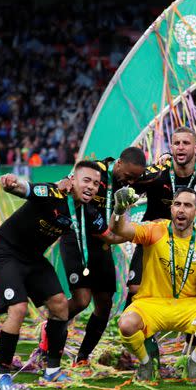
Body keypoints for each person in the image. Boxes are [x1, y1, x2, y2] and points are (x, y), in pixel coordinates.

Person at [0, 162, 125, 390]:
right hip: (4, 251)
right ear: (72, 180)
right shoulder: (53, 192)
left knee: (60, 306)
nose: (91, 186)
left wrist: (139, 234)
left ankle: (52, 371)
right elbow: (24, 188)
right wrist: (11, 182)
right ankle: (2, 376)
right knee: (18, 309)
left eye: (95, 183)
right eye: (86, 180)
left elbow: (110, 236)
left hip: (32, 258)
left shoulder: (88, 213)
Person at [112, 187, 196, 381]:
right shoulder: (154, 230)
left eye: (187, 205)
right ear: (171, 208)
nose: (181, 210)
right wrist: (118, 210)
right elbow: (119, 230)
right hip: (151, 303)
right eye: (177, 204)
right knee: (126, 324)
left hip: (187, 306)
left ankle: (194, 360)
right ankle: (145, 363)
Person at [59, 147, 147, 364]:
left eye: (135, 179)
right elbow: (69, 180)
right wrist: (64, 181)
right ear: (118, 164)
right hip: (76, 238)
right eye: (128, 176)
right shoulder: (96, 170)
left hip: (102, 244)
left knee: (104, 304)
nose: (130, 182)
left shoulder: (129, 183)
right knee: (81, 301)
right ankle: (51, 326)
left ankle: (82, 357)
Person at [127, 127, 196, 304]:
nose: (181, 147)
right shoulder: (157, 173)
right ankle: (136, 327)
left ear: (195, 147)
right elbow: (123, 181)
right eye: (177, 143)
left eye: (186, 143)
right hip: (153, 239)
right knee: (136, 288)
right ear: (171, 147)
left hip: (186, 241)